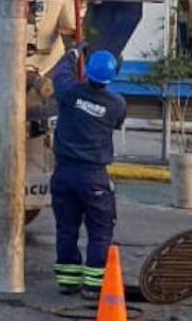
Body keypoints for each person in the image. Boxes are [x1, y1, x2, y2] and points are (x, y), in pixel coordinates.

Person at [49, 48, 127, 299]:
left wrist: (72, 54)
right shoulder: (116, 104)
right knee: (100, 230)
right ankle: (94, 285)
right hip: (93, 176)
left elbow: (60, 74)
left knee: (66, 228)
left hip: (63, 173)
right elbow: (116, 122)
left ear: (87, 71)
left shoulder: (70, 92)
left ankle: (67, 281)